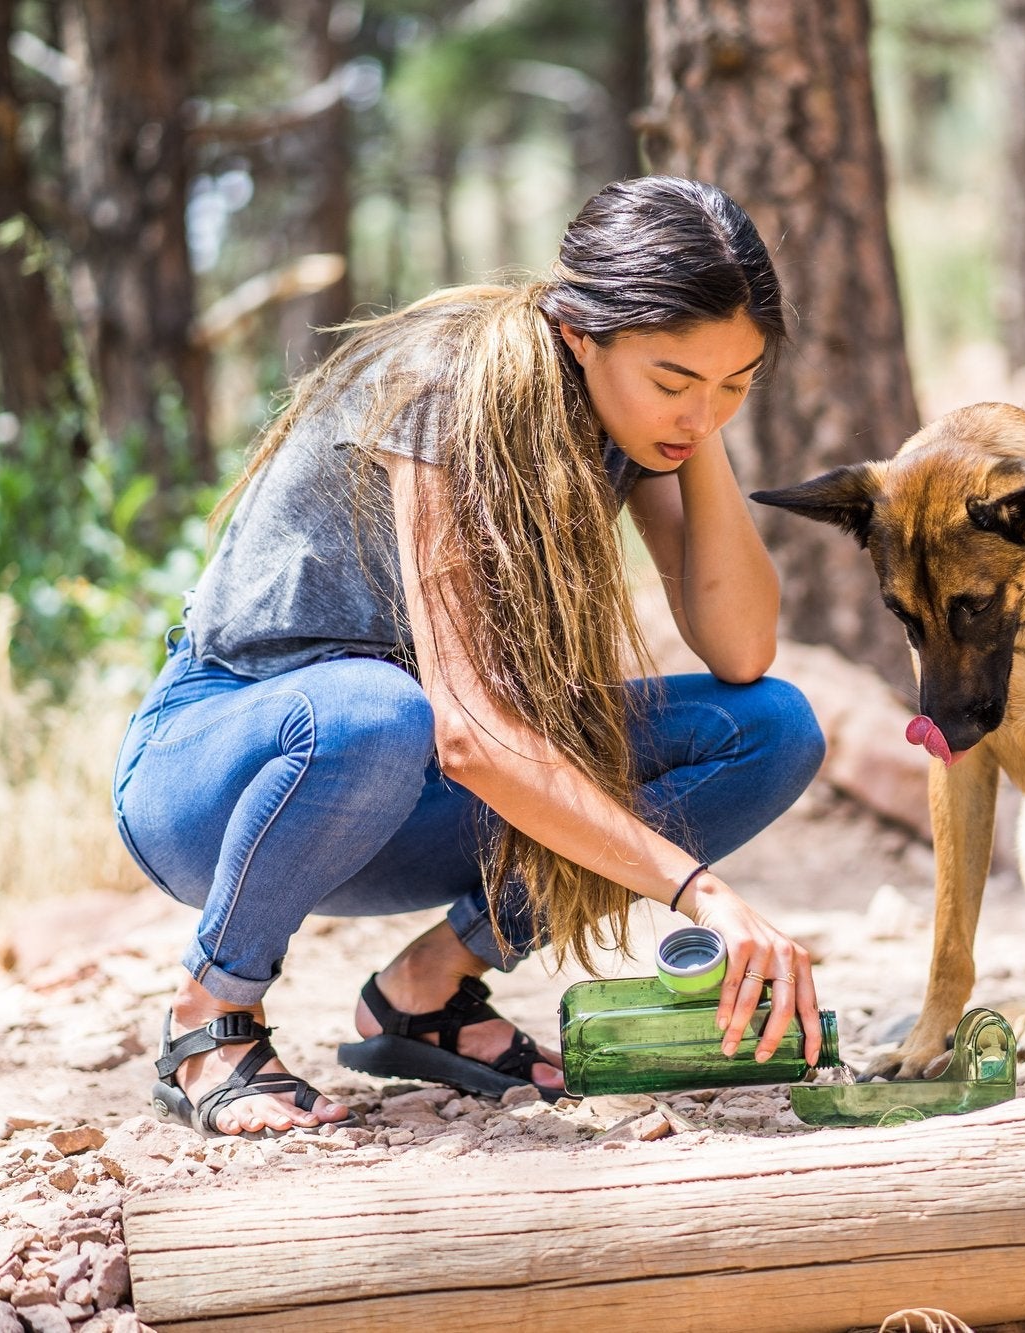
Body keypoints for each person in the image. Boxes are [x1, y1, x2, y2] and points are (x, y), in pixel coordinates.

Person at [110, 176, 828, 1138]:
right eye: (672, 379)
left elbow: (741, 648)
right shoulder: (448, 385)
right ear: (579, 330)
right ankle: (211, 1018)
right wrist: (699, 891)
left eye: (736, 383)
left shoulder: (642, 424)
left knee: (772, 729)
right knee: (379, 711)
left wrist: (694, 425)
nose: (701, 413)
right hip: (226, 776)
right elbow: (471, 732)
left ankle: (428, 992)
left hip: (399, 791)